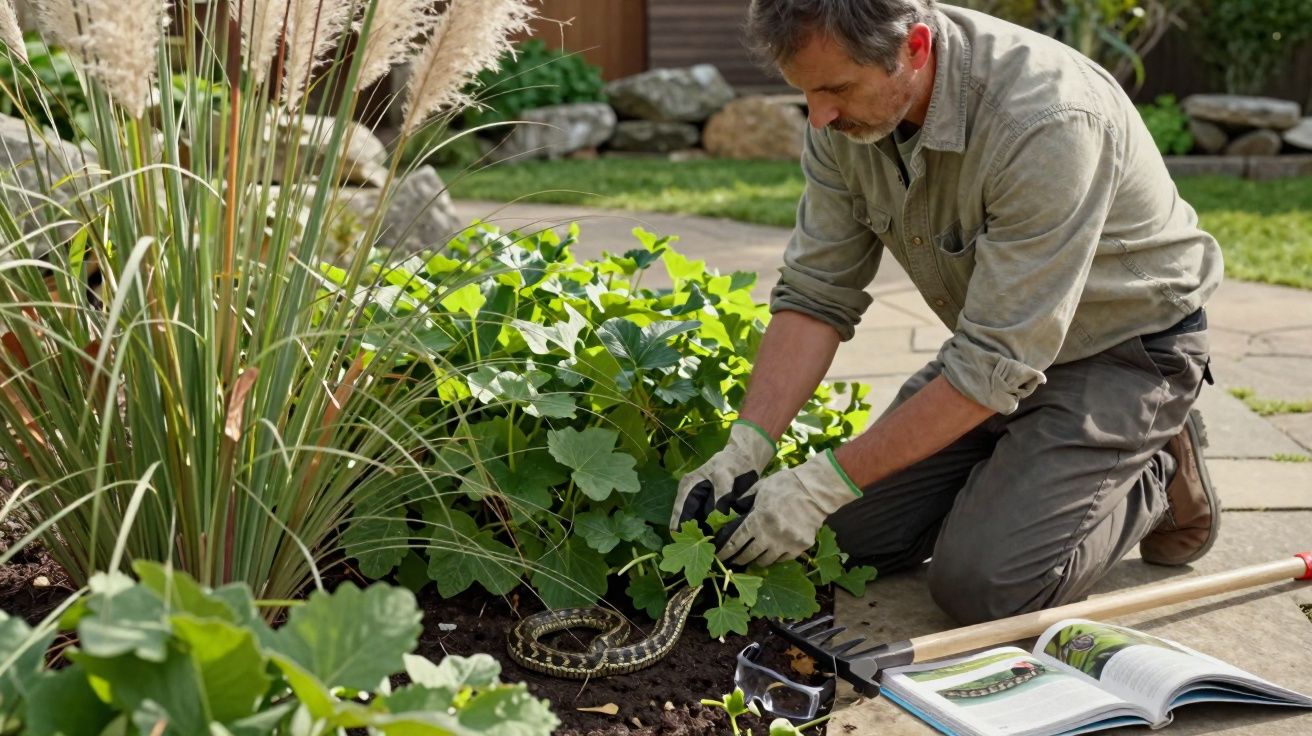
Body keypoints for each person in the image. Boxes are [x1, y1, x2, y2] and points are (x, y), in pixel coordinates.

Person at [670, 0, 1223, 625]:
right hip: (997, 349)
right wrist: (748, 445)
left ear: (915, 49)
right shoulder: (843, 116)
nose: (819, 116)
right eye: (805, 93)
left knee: (987, 585)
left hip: (1125, 352)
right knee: (843, 538)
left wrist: (819, 482)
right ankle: (1026, 471)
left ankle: (1155, 463)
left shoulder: (1047, 119)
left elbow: (995, 360)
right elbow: (816, 293)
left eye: (835, 90)